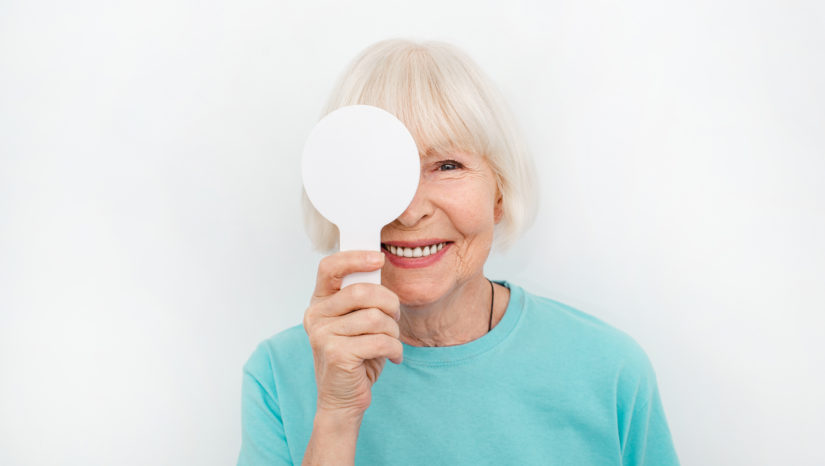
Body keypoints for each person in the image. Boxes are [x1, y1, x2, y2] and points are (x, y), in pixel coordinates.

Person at [238, 38, 679, 466]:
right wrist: (336, 416)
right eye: (379, 171)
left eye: (447, 165)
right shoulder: (278, 376)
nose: (410, 211)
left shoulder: (609, 371)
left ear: (500, 193)